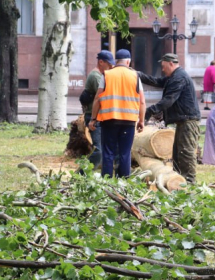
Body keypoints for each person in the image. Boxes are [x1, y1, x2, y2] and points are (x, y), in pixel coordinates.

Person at [138, 53, 201, 183]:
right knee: (178, 154)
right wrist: (137, 74)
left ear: (171, 64)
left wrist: (150, 111)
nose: (162, 69)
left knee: (186, 153)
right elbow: (155, 81)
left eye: (163, 66)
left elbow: (169, 99)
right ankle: (177, 181)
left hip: (188, 121)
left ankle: (189, 183)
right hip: (183, 121)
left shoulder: (179, 78)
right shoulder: (173, 77)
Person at [89, 49, 145, 177]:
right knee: (125, 153)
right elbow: (142, 102)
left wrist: (93, 119)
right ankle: (124, 181)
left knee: (108, 152)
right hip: (129, 121)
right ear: (128, 61)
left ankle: (107, 182)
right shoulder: (135, 76)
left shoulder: (107, 75)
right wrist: (141, 120)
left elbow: (97, 98)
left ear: (117, 61)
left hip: (109, 120)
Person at [79, 50, 114, 169]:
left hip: (99, 116)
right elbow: (104, 94)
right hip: (94, 116)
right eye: (109, 64)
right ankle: (82, 174)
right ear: (101, 62)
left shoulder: (101, 75)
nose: (111, 67)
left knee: (103, 148)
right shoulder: (95, 76)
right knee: (98, 150)